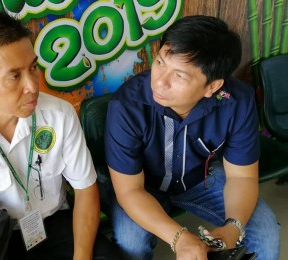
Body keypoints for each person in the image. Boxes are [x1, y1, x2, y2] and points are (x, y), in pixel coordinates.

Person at [0, 9, 121, 260]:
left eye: (33, 67)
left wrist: (81, 256)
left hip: (54, 223)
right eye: (14, 76)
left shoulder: (59, 115)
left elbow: (85, 189)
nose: (32, 86)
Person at [104, 15, 280, 259]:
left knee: (266, 235)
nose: (160, 81)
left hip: (200, 179)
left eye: (179, 76)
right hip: (143, 186)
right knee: (130, 242)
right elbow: (129, 191)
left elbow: (241, 176)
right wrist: (180, 238)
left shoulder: (236, 101)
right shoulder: (127, 105)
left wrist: (232, 229)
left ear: (212, 87)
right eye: (160, 63)